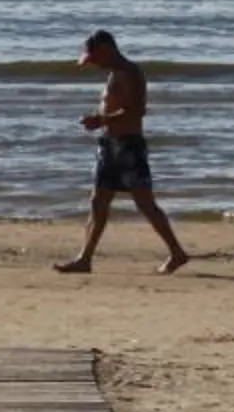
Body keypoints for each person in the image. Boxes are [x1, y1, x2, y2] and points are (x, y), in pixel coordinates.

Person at [56, 30, 191, 275]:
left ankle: (176, 252)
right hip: (109, 144)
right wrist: (102, 124)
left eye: (95, 57)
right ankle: (84, 258)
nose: (93, 64)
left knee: (145, 203)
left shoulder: (131, 73)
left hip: (129, 145)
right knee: (98, 201)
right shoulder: (113, 74)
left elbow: (137, 110)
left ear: (107, 49)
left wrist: (102, 119)